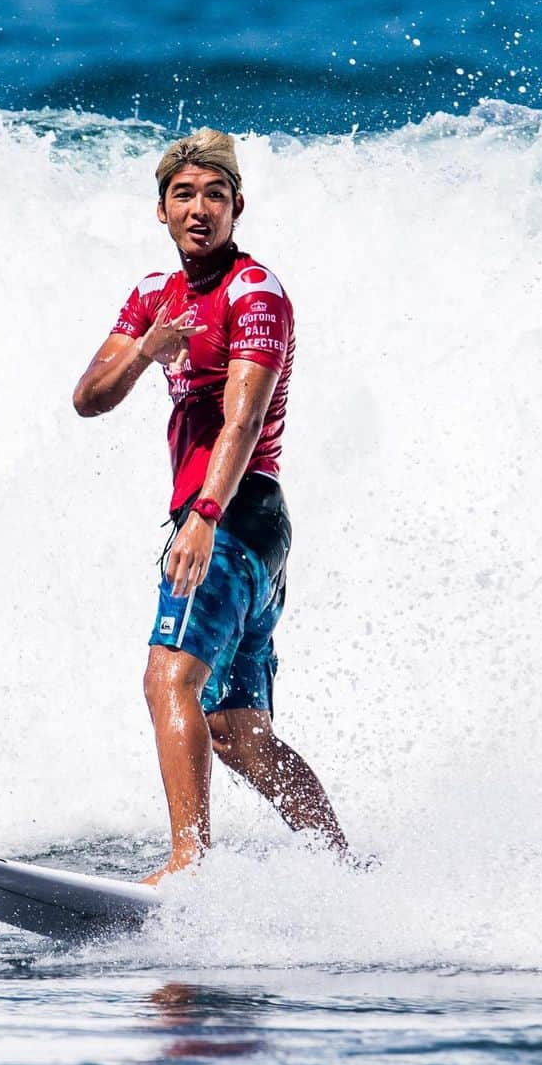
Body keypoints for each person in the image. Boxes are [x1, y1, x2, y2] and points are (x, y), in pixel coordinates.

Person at [73, 128, 348, 884]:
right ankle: (344, 870)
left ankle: (189, 862)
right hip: (240, 527)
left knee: (168, 680)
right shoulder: (154, 298)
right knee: (236, 732)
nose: (200, 210)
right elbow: (87, 398)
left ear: (237, 207)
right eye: (184, 195)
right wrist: (145, 347)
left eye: (216, 196)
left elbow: (244, 419)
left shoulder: (255, 293)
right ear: (161, 209)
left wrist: (201, 516)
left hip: (235, 516)